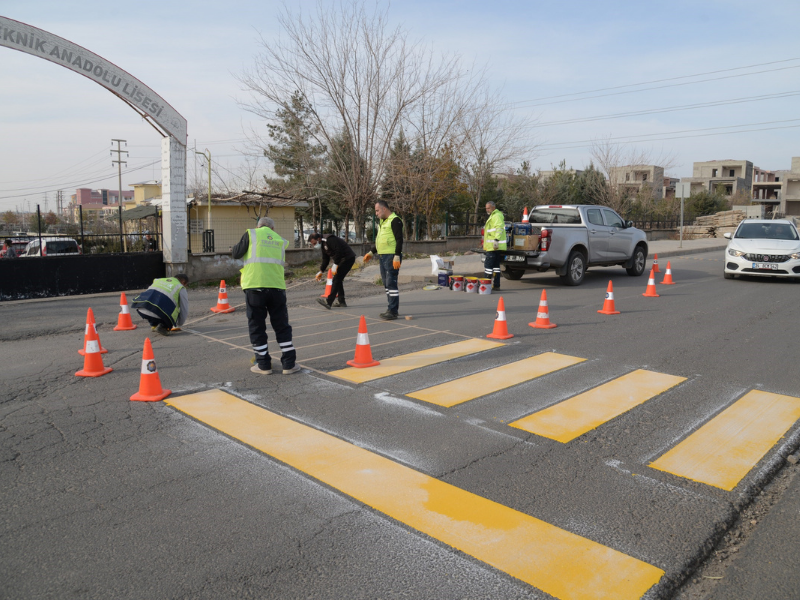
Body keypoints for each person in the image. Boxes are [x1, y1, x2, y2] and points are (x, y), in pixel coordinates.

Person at [232, 216, 300, 375]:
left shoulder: (251, 234)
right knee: (281, 325)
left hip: (255, 287)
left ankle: (263, 365)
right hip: (276, 287)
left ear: (258, 226)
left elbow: (236, 253)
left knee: (257, 326)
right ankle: (289, 364)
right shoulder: (281, 240)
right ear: (273, 229)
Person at [363, 200, 403, 320]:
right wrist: (371, 252)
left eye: (377, 210)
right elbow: (381, 240)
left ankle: (393, 310)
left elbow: (399, 239)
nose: (376, 213)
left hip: (391, 256)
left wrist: (397, 255)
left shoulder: (395, 220)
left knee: (391, 283)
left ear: (384, 209)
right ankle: (390, 308)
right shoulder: (382, 221)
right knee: (386, 283)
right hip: (382, 256)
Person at [309, 232, 356, 309]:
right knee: (338, 279)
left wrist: (335, 264)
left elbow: (339, 251)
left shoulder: (330, 239)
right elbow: (325, 259)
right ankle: (342, 302)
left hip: (348, 258)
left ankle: (328, 302)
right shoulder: (323, 245)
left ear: (319, 239)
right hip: (341, 260)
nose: (314, 246)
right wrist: (321, 271)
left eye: (314, 243)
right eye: (313, 244)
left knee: (337, 279)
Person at [483, 201, 507, 290]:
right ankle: (496, 285)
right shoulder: (495, 215)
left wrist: (496, 239)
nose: (487, 210)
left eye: (488, 208)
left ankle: (485, 286)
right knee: (496, 267)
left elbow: (499, 228)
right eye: (486, 208)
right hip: (495, 246)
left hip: (493, 246)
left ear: (493, 207)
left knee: (488, 267)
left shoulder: (496, 216)